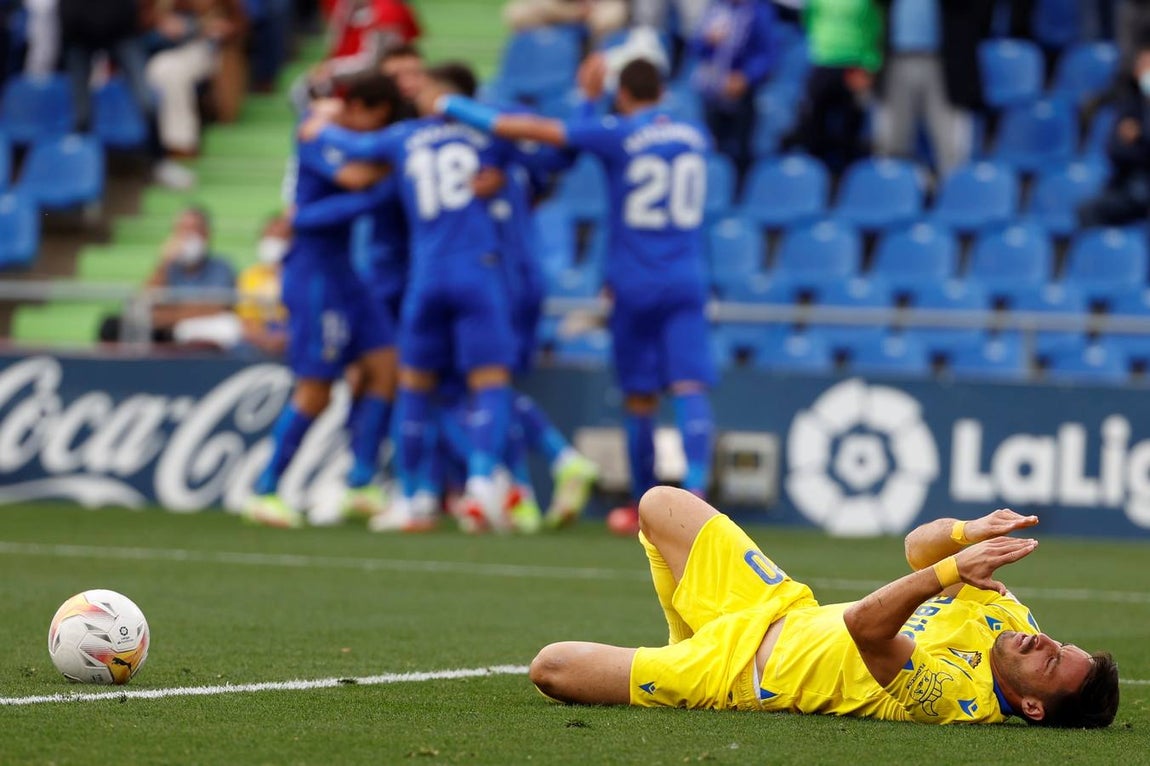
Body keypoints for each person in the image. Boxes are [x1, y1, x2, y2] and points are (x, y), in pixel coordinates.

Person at [529, 487, 1121, 728]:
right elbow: (917, 546)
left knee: (552, 667)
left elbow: (864, 625)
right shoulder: (1012, 623)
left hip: (737, 674)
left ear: (1032, 707)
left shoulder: (955, 700)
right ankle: (684, 636)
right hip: (779, 605)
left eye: (1048, 664)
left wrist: (946, 573)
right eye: (1059, 645)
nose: (1044, 644)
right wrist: (965, 534)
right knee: (661, 504)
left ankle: (685, 659)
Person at [437, 56, 717, 537]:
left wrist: (449, 104)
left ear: (623, 94)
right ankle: (696, 493)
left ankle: (642, 505)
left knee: (640, 398)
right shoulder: (695, 136)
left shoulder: (618, 132)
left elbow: (524, 128)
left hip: (633, 280)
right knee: (690, 387)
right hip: (687, 275)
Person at [305, 63, 520, 532]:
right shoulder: (480, 133)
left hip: (426, 275)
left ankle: (410, 496)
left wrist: (318, 125)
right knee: (489, 380)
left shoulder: (402, 136)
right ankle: (482, 483)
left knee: (414, 385)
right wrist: (499, 172)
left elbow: (356, 146)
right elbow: (523, 136)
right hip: (477, 270)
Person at [245, 73, 403, 528]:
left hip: (344, 272)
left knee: (384, 365)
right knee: (316, 389)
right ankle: (266, 490)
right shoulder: (319, 132)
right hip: (314, 276)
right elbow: (350, 182)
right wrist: (393, 170)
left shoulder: (334, 129)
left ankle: (359, 482)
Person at [874, 0, 993, 177]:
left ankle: (954, 194)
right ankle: (893, 194)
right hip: (895, 60)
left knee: (951, 147)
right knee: (891, 145)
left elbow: (981, 14)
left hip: (946, 65)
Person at [144, 0, 249, 191]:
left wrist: (217, 29)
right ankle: (172, 144)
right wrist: (162, 22)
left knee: (169, 70)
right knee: (160, 68)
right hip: (160, 49)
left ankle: (181, 143)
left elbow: (240, 24)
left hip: (206, 49)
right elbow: (142, 19)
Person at [97, 206, 237, 344]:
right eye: (181, 230)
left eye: (192, 229)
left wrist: (165, 317)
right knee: (111, 326)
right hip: (164, 330)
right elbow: (142, 303)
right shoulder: (169, 267)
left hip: (188, 332)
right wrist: (163, 263)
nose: (186, 236)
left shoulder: (221, 268)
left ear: (206, 234)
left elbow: (214, 309)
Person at [688, 0, 779, 189]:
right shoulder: (715, 9)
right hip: (713, 93)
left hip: (742, 94)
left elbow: (768, 54)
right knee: (712, 146)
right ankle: (711, 190)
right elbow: (695, 47)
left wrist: (746, 77)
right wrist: (706, 41)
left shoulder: (758, 12)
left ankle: (737, 193)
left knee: (740, 151)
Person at [787, 0, 883, 173]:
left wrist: (869, 64)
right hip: (823, 62)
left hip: (854, 65)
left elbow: (875, 27)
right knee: (814, 124)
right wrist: (823, 46)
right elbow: (809, 20)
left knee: (851, 128)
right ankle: (815, 178)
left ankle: (848, 181)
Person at [1078, 44, 1150, 228]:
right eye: (1143, 65)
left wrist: (1139, 136)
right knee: (1088, 210)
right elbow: (1115, 150)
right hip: (1131, 183)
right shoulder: (1130, 106)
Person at [234, 213, 291, 356]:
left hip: (291, 336)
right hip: (259, 338)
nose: (273, 242)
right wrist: (266, 340)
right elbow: (246, 322)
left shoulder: (302, 276)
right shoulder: (249, 276)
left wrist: (286, 338)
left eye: (280, 238)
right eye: (269, 236)